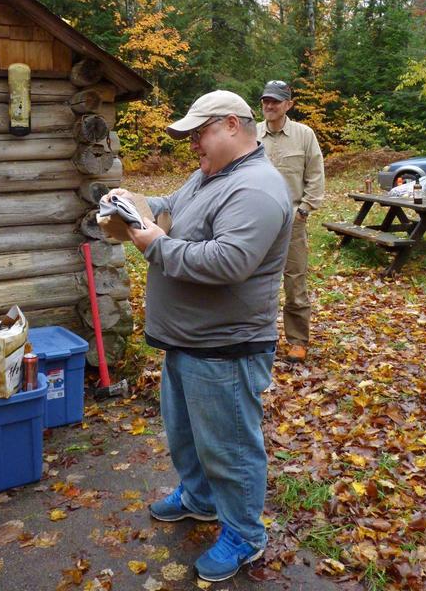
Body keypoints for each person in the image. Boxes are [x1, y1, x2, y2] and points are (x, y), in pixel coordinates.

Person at [105, 90, 293, 583]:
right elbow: (172, 207)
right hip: (187, 340)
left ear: (232, 125)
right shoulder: (208, 175)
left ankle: (245, 535)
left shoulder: (256, 188)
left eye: (198, 133)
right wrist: (133, 204)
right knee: (188, 437)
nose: (191, 144)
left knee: (229, 448)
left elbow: (229, 261)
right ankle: (199, 499)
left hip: (226, 348)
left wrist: (156, 246)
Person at [256, 80, 324, 364]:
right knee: (255, 281)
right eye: (265, 101)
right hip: (256, 220)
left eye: (275, 101)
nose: (269, 106)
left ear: (288, 104)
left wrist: (304, 210)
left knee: (295, 281)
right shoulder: (252, 135)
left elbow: (316, 175)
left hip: (292, 219)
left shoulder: (304, 135)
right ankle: (259, 338)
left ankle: (297, 340)